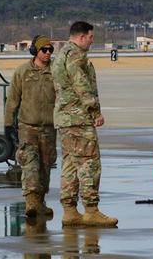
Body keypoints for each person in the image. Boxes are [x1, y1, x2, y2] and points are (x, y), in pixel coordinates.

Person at [52, 21, 118, 227]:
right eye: (90, 37)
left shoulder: (61, 55)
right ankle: (91, 210)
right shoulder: (75, 56)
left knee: (70, 165)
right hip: (78, 118)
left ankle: (70, 210)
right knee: (89, 163)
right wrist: (94, 110)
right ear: (81, 37)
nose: (91, 41)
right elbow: (81, 84)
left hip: (65, 118)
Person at [3, 35, 57, 217]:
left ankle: (40, 202)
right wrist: (8, 124)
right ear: (35, 51)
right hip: (28, 128)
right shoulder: (22, 72)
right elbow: (12, 100)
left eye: (51, 50)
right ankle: (31, 204)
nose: (48, 53)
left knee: (45, 168)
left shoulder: (56, 72)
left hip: (50, 129)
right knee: (30, 165)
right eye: (44, 50)